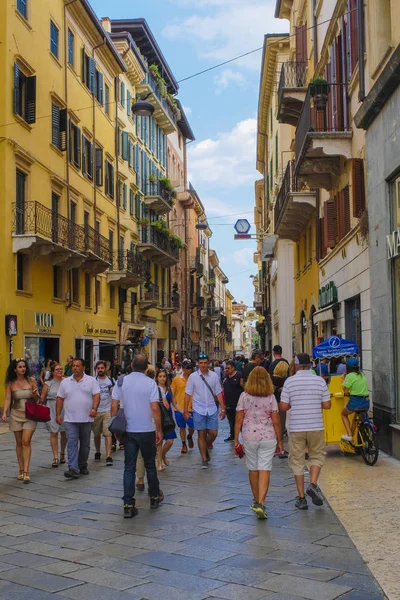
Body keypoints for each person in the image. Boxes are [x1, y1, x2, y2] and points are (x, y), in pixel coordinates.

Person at [111, 354, 164, 518]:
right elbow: (155, 408)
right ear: (146, 367)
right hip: (146, 429)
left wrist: (116, 427)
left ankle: (128, 503)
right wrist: (159, 429)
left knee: (129, 467)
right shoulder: (150, 383)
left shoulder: (121, 381)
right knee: (149, 464)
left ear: (132, 365)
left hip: (128, 429)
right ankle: (154, 496)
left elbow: (114, 406)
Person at [280, 353, 331, 510]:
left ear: (296, 366)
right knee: (317, 455)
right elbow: (327, 405)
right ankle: (313, 484)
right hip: (315, 425)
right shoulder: (319, 381)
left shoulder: (290, 382)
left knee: (297, 461)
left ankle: (301, 498)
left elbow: (283, 407)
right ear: (310, 365)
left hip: (297, 427)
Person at [234, 367, 283, 519]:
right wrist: (280, 440)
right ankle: (261, 502)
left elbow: (238, 420)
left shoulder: (244, 396)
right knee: (265, 469)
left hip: (249, 436)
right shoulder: (270, 397)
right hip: (268, 436)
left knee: (253, 469)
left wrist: (236, 439)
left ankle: (256, 500)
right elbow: (276, 421)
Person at [56, 358, 100, 479]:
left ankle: (82, 465)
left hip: (86, 418)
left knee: (85, 444)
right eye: (74, 366)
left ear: (83, 367)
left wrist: (94, 408)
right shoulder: (65, 382)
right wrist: (58, 414)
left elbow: (96, 395)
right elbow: (60, 398)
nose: (75, 368)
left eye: (78, 366)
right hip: (70, 419)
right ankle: (73, 468)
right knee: (72, 443)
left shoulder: (91, 381)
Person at [184, 353, 226, 469]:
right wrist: (185, 410)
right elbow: (188, 393)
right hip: (198, 408)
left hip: (212, 408)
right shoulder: (193, 377)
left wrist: (223, 408)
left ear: (209, 363)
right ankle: (204, 458)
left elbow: (218, 392)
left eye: (205, 363)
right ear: (198, 364)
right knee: (201, 434)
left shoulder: (213, 376)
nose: (203, 365)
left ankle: (205, 447)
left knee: (213, 433)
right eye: (201, 363)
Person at [2, 359, 40, 483]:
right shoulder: (11, 383)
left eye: (24, 366)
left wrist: (35, 395)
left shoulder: (32, 381)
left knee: (26, 441)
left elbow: (37, 399)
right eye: (20, 367)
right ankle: (20, 469)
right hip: (15, 414)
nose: (23, 368)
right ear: (15, 369)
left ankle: (26, 471)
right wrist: (4, 413)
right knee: (19, 443)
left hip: (30, 415)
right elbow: (8, 399)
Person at [41, 363, 66, 468]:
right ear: (53, 372)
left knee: (64, 432)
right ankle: (55, 456)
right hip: (51, 408)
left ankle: (62, 453)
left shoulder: (67, 382)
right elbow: (42, 398)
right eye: (57, 369)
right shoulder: (48, 384)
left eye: (61, 369)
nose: (60, 371)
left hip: (65, 408)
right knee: (53, 433)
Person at [341, 357, 370, 442]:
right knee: (355, 419)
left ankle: (349, 435)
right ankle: (352, 437)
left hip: (355, 401)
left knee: (343, 414)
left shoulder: (349, 376)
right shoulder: (362, 374)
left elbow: (346, 392)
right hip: (366, 402)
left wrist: (343, 380)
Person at [269, 345, 290, 457]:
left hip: (274, 396)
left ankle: (274, 447)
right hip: (284, 397)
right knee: (281, 422)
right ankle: (280, 447)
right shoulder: (286, 363)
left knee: (275, 422)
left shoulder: (272, 365)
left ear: (274, 352)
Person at [171, 358, 195, 454]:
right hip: (179, 408)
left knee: (192, 426)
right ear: (184, 369)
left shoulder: (194, 379)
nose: (190, 370)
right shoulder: (177, 379)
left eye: (191, 368)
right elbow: (172, 392)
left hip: (191, 408)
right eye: (188, 368)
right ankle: (184, 444)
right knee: (181, 427)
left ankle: (190, 435)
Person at [93, 360, 114, 466]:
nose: (100, 370)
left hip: (107, 410)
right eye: (98, 368)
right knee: (96, 434)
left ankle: (108, 456)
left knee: (107, 433)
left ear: (105, 369)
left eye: (102, 368)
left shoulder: (111, 381)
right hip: (96, 410)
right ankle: (97, 451)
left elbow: (115, 395)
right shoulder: (93, 381)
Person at [156, 368, 177, 470]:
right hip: (158, 417)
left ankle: (162, 455)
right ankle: (159, 462)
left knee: (170, 441)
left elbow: (175, 403)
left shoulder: (170, 390)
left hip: (167, 417)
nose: (162, 378)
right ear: (156, 378)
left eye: (164, 376)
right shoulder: (154, 389)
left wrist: (183, 412)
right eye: (160, 376)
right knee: (159, 441)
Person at [223, 360, 244, 442]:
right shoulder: (226, 377)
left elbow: (243, 388)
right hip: (228, 403)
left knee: (239, 420)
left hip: (237, 403)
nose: (226, 370)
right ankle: (232, 435)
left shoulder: (239, 376)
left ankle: (242, 436)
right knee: (231, 420)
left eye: (228, 368)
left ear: (233, 368)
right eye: (226, 368)